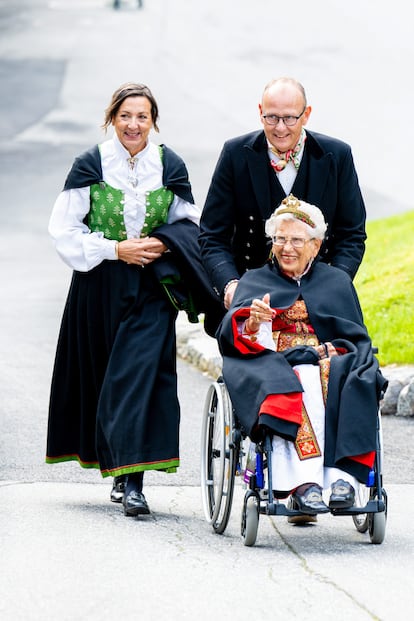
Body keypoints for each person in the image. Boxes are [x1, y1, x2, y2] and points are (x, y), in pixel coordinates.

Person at [46, 82, 222, 517]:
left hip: (150, 289)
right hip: (98, 288)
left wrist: (163, 243)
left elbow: (191, 225)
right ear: (112, 118)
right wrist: (115, 249)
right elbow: (63, 232)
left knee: (139, 375)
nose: (134, 124)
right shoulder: (91, 164)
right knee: (107, 376)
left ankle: (134, 484)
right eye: (126, 116)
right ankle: (120, 472)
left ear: (153, 122)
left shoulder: (169, 164)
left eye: (142, 116)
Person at [217, 195, 387, 522]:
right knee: (297, 381)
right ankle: (303, 484)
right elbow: (235, 335)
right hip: (274, 360)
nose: (287, 248)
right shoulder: (254, 280)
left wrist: (334, 352)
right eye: (280, 239)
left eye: (297, 240)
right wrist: (253, 321)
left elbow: (354, 335)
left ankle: (343, 482)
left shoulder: (335, 281)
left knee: (348, 373)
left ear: (316, 245)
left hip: (329, 357)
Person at [199, 76, 367, 312]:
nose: (280, 127)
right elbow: (212, 235)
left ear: (306, 114)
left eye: (289, 118)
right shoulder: (234, 154)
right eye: (272, 117)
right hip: (249, 299)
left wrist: (333, 284)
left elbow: (352, 234)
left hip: (319, 300)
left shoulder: (337, 156)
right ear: (260, 112)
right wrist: (230, 286)